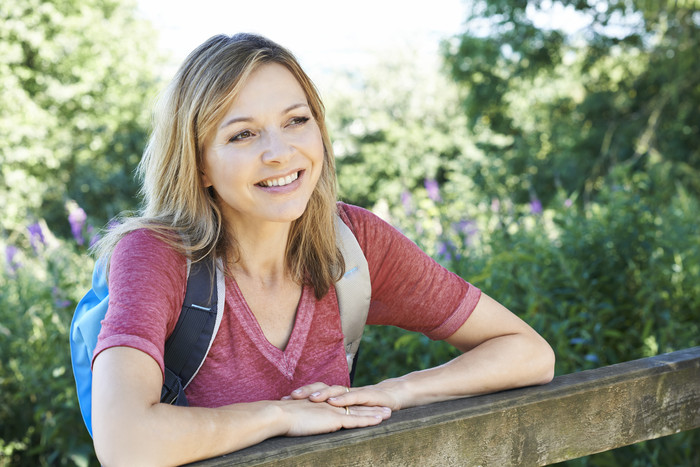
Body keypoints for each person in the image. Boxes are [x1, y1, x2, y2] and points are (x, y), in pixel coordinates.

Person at [90, 33, 555, 466]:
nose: (280, 152)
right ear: (200, 164)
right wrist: (280, 416)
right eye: (242, 134)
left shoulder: (354, 243)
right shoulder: (157, 255)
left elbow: (528, 353)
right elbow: (124, 443)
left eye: (296, 120)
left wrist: (396, 392)